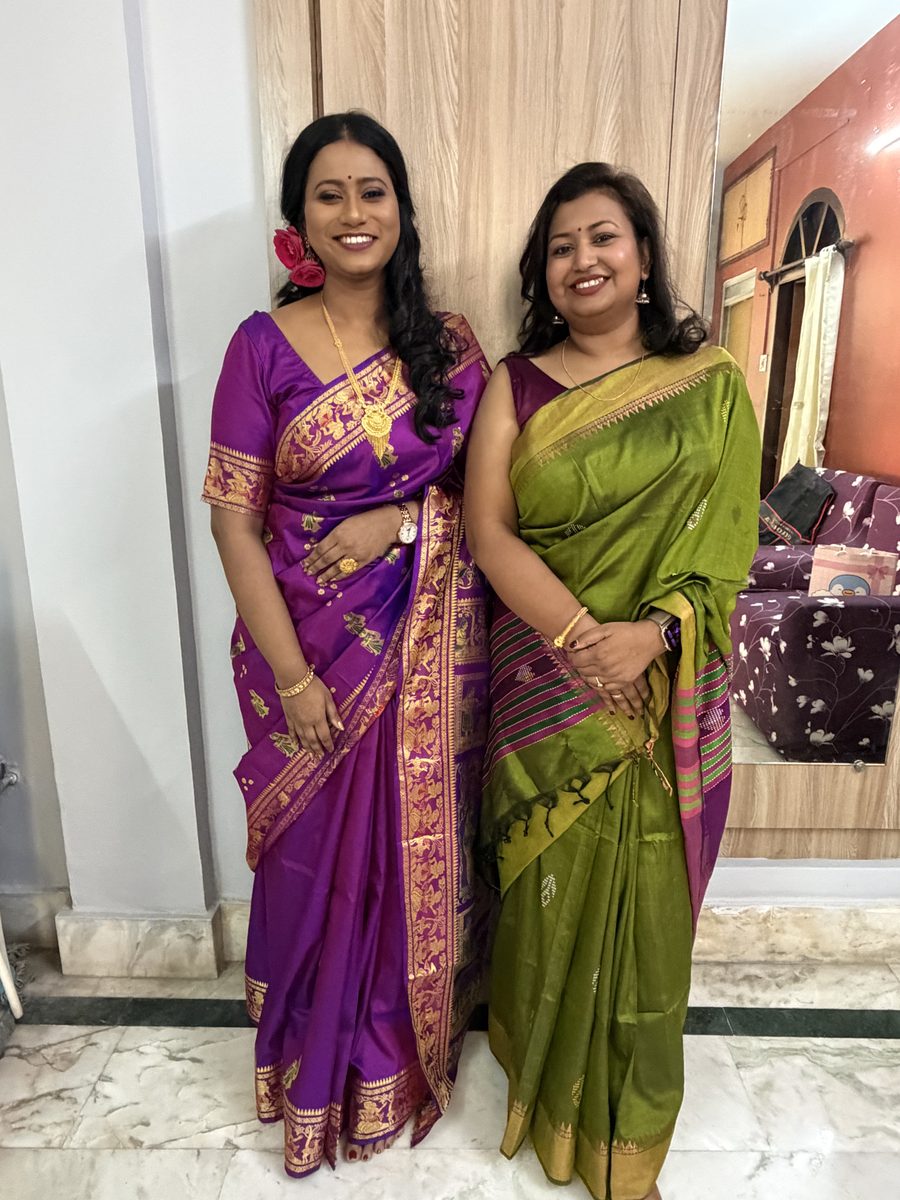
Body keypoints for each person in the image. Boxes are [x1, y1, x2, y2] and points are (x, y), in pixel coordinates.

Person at [203, 111, 491, 1179]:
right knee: (315, 862)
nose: (354, 212)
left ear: (402, 211)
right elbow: (236, 519)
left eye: (373, 191)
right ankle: (307, 1071)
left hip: (420, 661)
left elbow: (489, 502)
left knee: (401, 864)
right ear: (300, 222)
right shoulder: (260, 345)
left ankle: (387, 1062)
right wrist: (291, 674)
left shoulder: (451, 348)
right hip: (302, 657)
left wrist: (406, 521)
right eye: (330, 194)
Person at [465, 162, 760, 1200]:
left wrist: (656, 635)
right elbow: (486, 532)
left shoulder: (712, 384)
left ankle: (628, 1117)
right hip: (546, 684)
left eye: (603, 238)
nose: (582, 259)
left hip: (659, 681)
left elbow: (726, 550)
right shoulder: (515, 383)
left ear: (643, 258)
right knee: (543, 902)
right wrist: (592, 634)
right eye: (561, 246)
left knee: (647, 917)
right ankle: (541, 1076)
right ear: (543, 274)